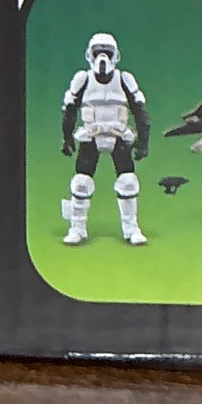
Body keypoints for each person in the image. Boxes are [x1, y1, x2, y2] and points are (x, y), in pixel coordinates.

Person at [60, 31, 150, 246]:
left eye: (107, 53)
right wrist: (67, 138)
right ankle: (77, 228)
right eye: (98, 52)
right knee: (81, 183)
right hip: (90, 135)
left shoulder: (124, 79)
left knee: (128, 182)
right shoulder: (83, 79)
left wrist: (143, 141)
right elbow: (70, 110)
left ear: (115, 56)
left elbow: (140, 111)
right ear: (89, 55)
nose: (102, 58)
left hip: (118, 135)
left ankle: (131, 228)